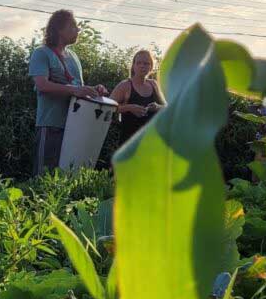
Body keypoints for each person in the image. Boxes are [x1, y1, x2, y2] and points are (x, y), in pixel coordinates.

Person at [28, 9, 108, 175]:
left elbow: (79, 89)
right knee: (44, 178)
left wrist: (94, 91)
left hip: (75, 127)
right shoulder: (41, 53)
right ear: (58, 29)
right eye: (73, 26)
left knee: (68, 178)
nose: (78, 30)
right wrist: (76, 90)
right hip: (50, 126)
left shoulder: (74, 57)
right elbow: (42, 85)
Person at [110, 50, 166, 144]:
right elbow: (108, 107)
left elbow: (167, 108)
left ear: (151, 67)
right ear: (133, 66)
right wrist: (129, 108)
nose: (142, 66)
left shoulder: (154, 84)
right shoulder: (125, 85)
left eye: (146, 63)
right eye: (138, 63)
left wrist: (157, 107)